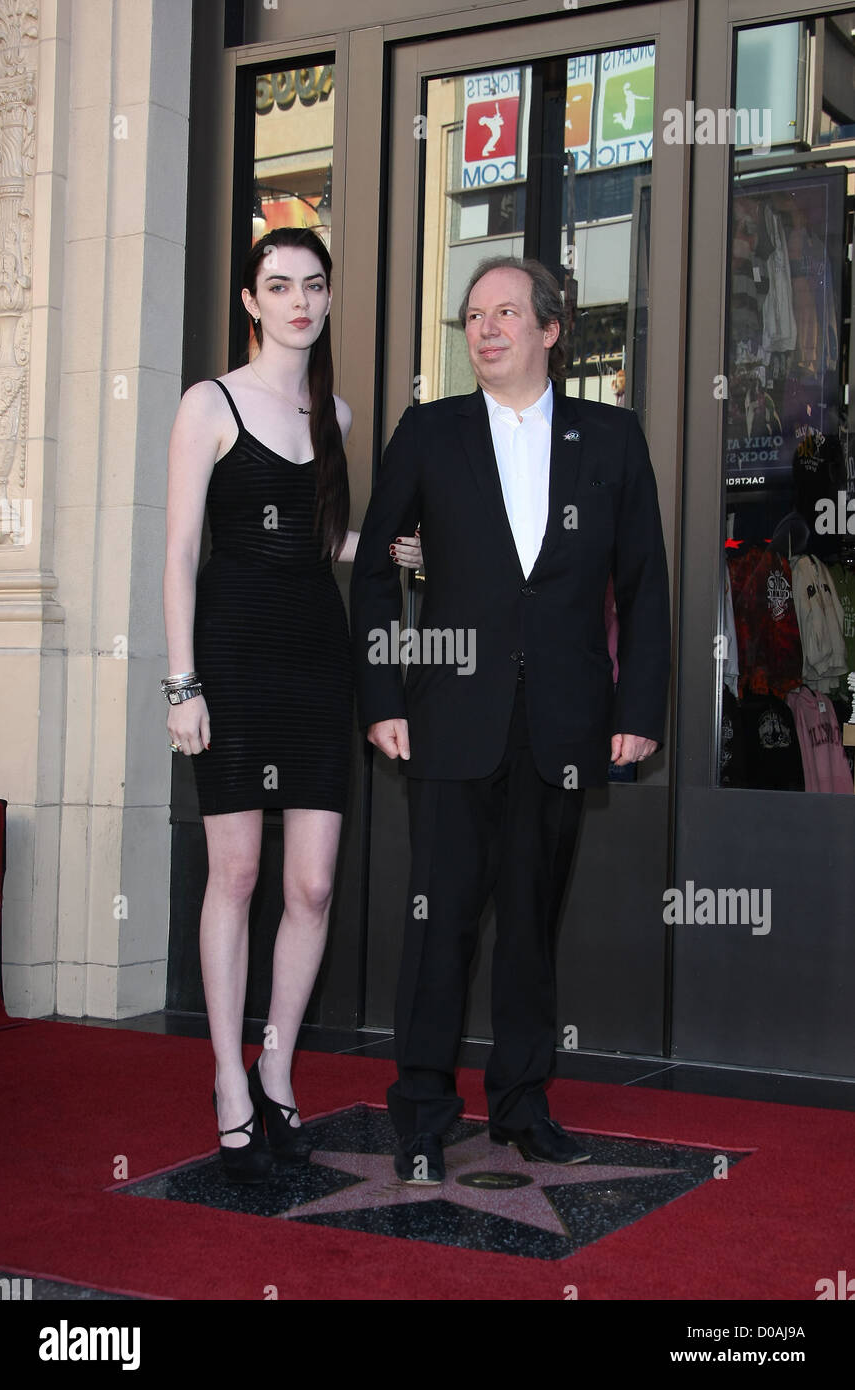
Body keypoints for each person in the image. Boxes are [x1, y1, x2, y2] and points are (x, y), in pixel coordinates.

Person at [350, 256, 670, 1182]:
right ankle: (420, 1110)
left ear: (550, 330)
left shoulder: (612, 439)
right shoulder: (429, 431)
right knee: (440, 919)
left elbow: (643, 586)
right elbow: (375, 572)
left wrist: (638, 707)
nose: (485, 330)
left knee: (532, 922)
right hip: (449, 716)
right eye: (473, 317)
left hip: (566, 723)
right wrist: (381, 696)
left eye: (505, 313)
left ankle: (523, 1105)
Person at [162, 227, 421, 1182]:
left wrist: (375, 547)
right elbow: (182, 551)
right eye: (279, 286)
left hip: (317, 661)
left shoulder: (336, 414)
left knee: (310, 885)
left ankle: (278, 1066)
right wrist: (181, 682)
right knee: (234, 876)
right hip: (230, 660)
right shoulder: (210, 402)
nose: (300, 301)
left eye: (314, 284)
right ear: (250, 300)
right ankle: (229, 1080)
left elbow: (309, 541)